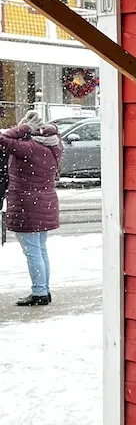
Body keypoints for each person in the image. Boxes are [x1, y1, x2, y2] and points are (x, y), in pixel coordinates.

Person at [0, 110, 63, 307]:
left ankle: (39, 292)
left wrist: (24, 127)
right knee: (40, 249)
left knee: (33, 251)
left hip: (27, 204)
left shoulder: (28, 148)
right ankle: (44, 289)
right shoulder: (54, 147)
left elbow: (2, 138)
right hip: (45, 201)